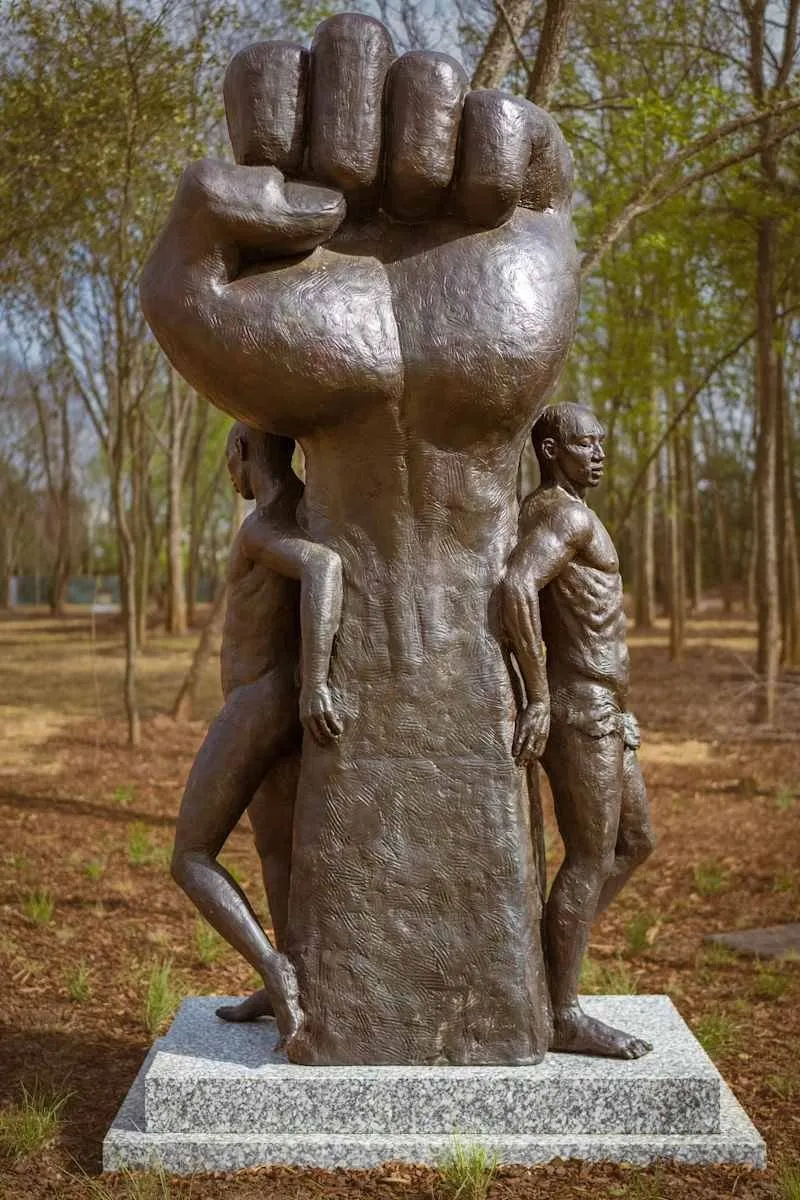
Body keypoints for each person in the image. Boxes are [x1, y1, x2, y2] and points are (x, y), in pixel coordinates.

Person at [171, 422, 343, 1048]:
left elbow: (323, 569)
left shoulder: (264, 523)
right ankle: (290, 981)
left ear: (245, 453)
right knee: (276, 851)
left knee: (190, 856)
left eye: (228, 458)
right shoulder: (306, 507)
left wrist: (313, 683)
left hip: (259, 703)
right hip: (277, 704)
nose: (228, 473)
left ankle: (273, 967)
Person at [501, 402, 656, 1059]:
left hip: (606, 707)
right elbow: (515, 586)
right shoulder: (562, 515)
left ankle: (540, 971)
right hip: (579, 708)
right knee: (592, 856)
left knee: (636, 841)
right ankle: (561, 1012)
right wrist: (538, 697)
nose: (597, 454)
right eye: (583, 444)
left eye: (600, 443)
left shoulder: (559, 511)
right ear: (548, 450)